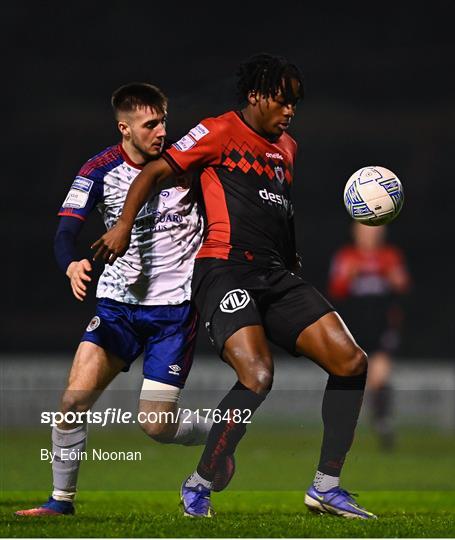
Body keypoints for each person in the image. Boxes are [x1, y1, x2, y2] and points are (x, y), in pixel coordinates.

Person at [92, 54, 377, 520]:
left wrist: (290, 254)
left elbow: (277, 207)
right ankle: (200, 481)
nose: (290, 111)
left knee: (351, 362)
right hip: (223, 268)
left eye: (295, 104)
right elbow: (154, 171)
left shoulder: (288, 148)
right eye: (283, 101)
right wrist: (124, 224)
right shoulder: (218, 130)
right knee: (258, 376)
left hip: (274, 274)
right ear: (256, 96)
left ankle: (326, 485)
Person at [16, 82, 232, 517]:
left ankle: (216, 440)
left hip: (173, 313)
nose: (160, 131)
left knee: (155, 425)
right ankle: (61, 502)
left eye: (163, 121)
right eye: (150, 124)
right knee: (73, 401)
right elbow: (64, 232)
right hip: (116, 308)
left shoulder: (186, 165)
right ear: (124, 128)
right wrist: (71, 264)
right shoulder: (98, 170)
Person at [328, 222, 411, 449]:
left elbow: (403, 285)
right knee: (354, 380)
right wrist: (351, 274)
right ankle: (344, 427)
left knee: (380, 376)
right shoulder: (346, 256)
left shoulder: (390, 256)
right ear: (355, 232)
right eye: (365, 229)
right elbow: (336, 289)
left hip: (382, 326)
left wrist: (390, 275)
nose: (370, 234)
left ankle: (383, 423)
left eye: (374, 229)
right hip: (353, 327)